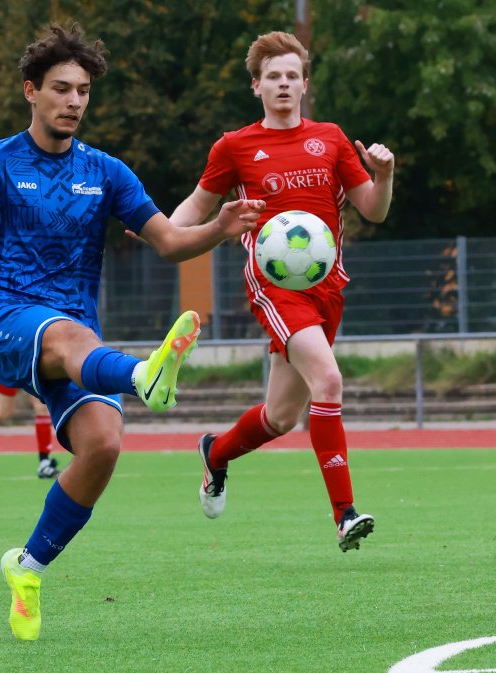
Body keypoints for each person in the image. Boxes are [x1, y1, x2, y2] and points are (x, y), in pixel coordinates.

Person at [0, 23, 264, 641]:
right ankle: (142, 376)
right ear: (31, 92)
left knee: (102, 444)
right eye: (61, 89)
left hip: (77, 338)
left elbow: (171, 241)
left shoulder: (106, 172)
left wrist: (220, 226)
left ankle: (28, 565)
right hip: (5, 319)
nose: (74, 101)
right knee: (72, 336)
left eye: (83, 91)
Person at [169, 31, 394, 552]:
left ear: (305, 83)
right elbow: (195, 208)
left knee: (279, 417)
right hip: (274, 286)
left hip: (327, 288)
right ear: (257, 86)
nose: (284, 84)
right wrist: (158, 228)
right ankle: (345, 515)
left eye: (293, 75)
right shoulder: (235, 146)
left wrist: (383, 175)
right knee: (330, 381)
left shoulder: (332, 138)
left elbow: (373, 209)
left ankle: (215, 453)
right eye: (274, 76)